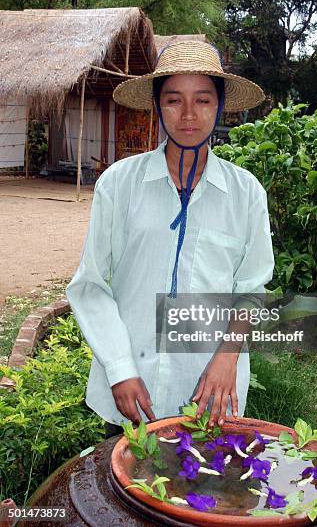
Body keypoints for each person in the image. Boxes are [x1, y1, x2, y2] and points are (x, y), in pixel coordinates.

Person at [65, 40, 275, 439]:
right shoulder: (119, 185)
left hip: (210, 393)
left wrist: (227, 359)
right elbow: (90, 285)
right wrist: (120, 368)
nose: (190, 115)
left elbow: (251, 290)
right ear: (158, 107)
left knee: (204, 494)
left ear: (220, 105)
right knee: (126, 493)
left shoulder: (246, 193)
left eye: (203, 100)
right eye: (175, 100)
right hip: (132, 393)